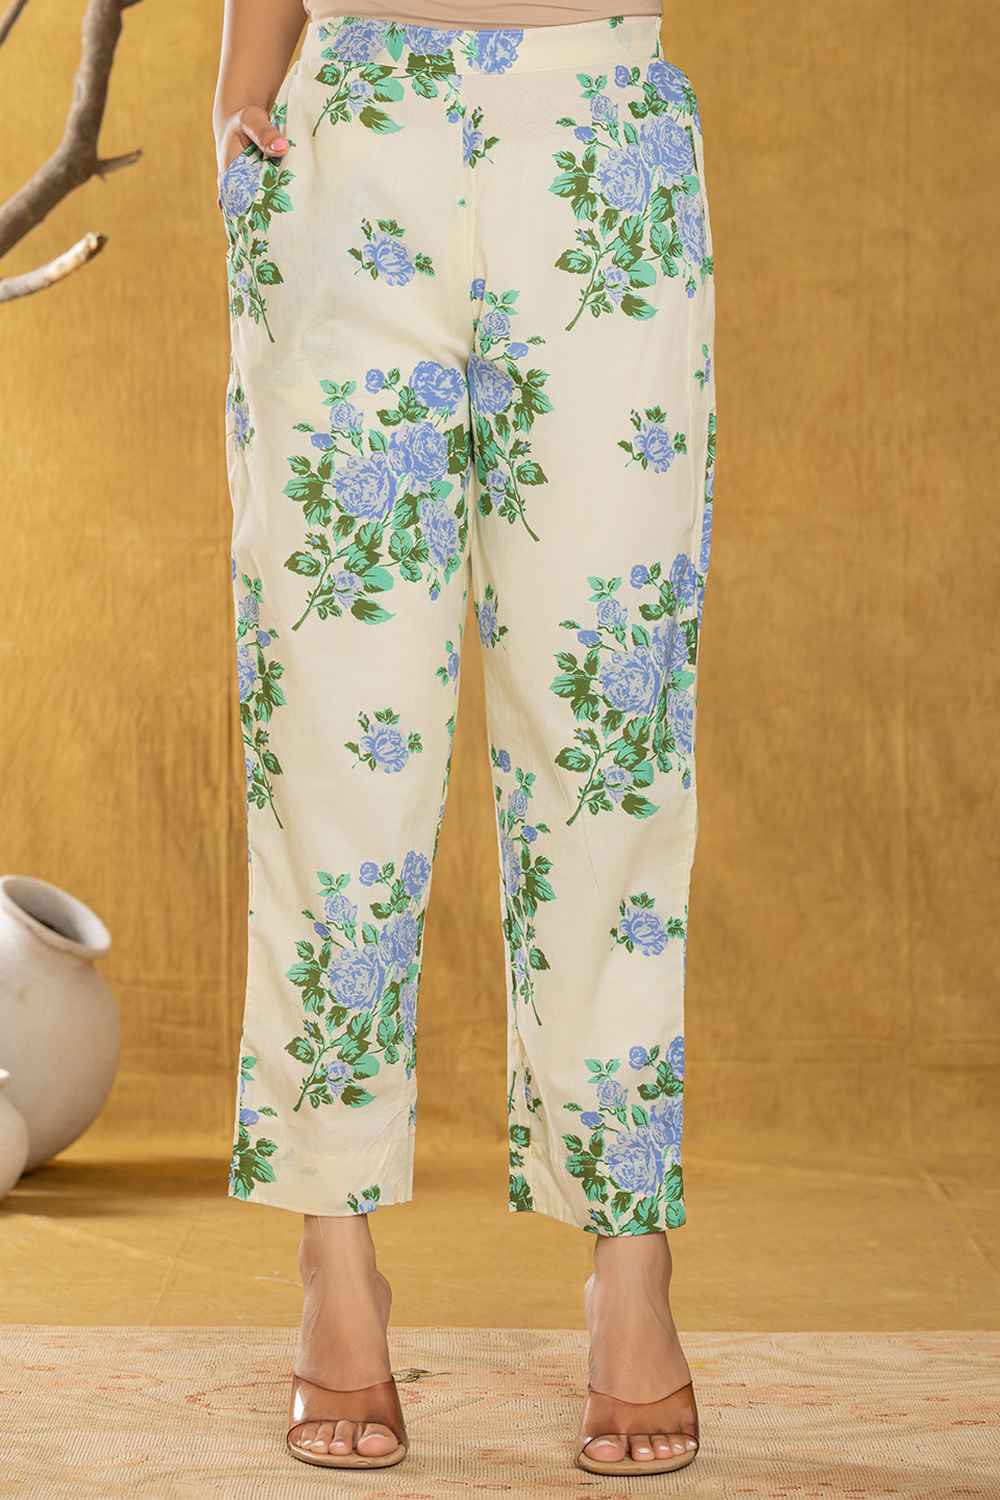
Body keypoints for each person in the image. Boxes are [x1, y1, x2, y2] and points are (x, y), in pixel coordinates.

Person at [213, 0, 715, 1476]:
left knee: (610, 725)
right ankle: (333, 1249)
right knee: (329, 727)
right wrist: (243, 91)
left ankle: (631, 1257)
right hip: (349, 137)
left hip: (599, 126)